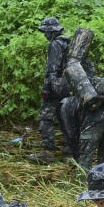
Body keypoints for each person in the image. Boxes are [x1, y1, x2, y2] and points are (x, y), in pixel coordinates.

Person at [30, 17, 70, 163]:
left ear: (52, 31)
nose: (45, 35)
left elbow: (52, 69)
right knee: (66, 118)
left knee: (45, 117)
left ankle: (48, 152)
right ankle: (68, 153)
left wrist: (47, 89)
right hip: (69, 87)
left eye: (46, 32)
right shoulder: (69, 43)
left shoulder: (55, 44)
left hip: (56, 88)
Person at [66, 76, 104, 175]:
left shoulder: (70, 100)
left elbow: (71, 131)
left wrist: (73, 154)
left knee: (85, 161)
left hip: (93, 122)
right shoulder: (97, 86)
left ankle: (81, 186)